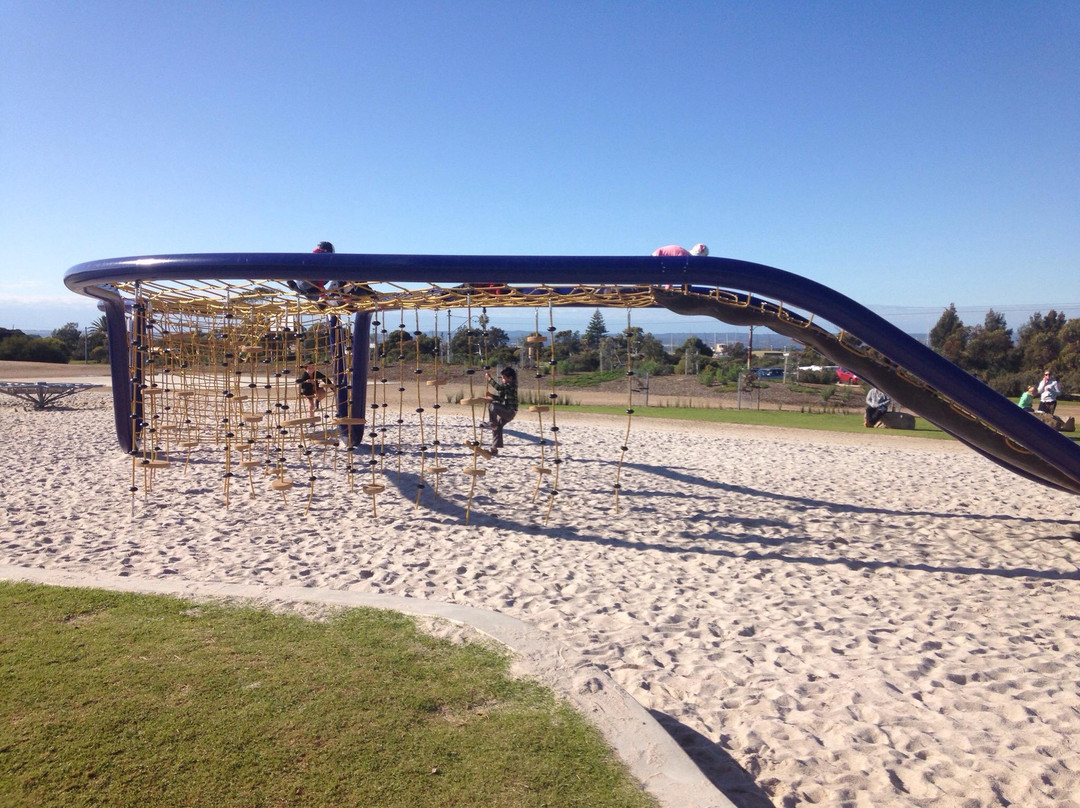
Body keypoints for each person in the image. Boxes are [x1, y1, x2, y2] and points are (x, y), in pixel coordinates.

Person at [484, 366, 518, 456]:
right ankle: (494, 449)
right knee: (498, 427)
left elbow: (498, 388)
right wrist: (491, 395)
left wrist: (489, 379)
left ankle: (492, 422)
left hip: (509, 411)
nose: (502, 380)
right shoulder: (506, 387)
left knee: (493, 405)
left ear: (510, 378)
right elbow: (500, 399)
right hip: (507, 412)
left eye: (503, 378)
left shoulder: (511, 385)